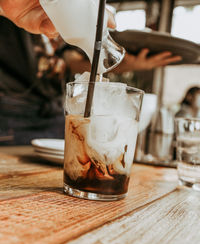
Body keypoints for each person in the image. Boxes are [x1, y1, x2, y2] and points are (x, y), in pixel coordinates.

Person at [0, 1, 182, 145]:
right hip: (13, 112)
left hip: (54, 110)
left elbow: (71, 61)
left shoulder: (66, 18)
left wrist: (129, 64)